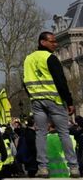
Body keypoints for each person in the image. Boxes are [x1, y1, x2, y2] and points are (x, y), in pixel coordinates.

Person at [23, 31, 80, 178]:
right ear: (43, 42)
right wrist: (69, 101)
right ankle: (73, 167)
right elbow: (61, 81)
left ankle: (43, 168)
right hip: (54, 100)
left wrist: (32, 96)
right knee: (64, 134)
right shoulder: (50, 58)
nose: (55, 44)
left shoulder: (28, 59)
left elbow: (25, 81)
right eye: (52, 41)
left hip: (36, 100)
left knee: (40, 134)